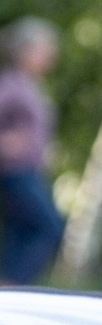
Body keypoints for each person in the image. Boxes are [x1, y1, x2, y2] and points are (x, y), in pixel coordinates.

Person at [0, 17, 64, 285]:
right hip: (14, 172)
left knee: (21, 232)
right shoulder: (11, 83)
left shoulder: (32, 85)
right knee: (50, 226)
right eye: (44, 50)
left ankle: (8, 290)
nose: (50, 57)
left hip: (31, 171)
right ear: (25, 51)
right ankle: (13, 288)